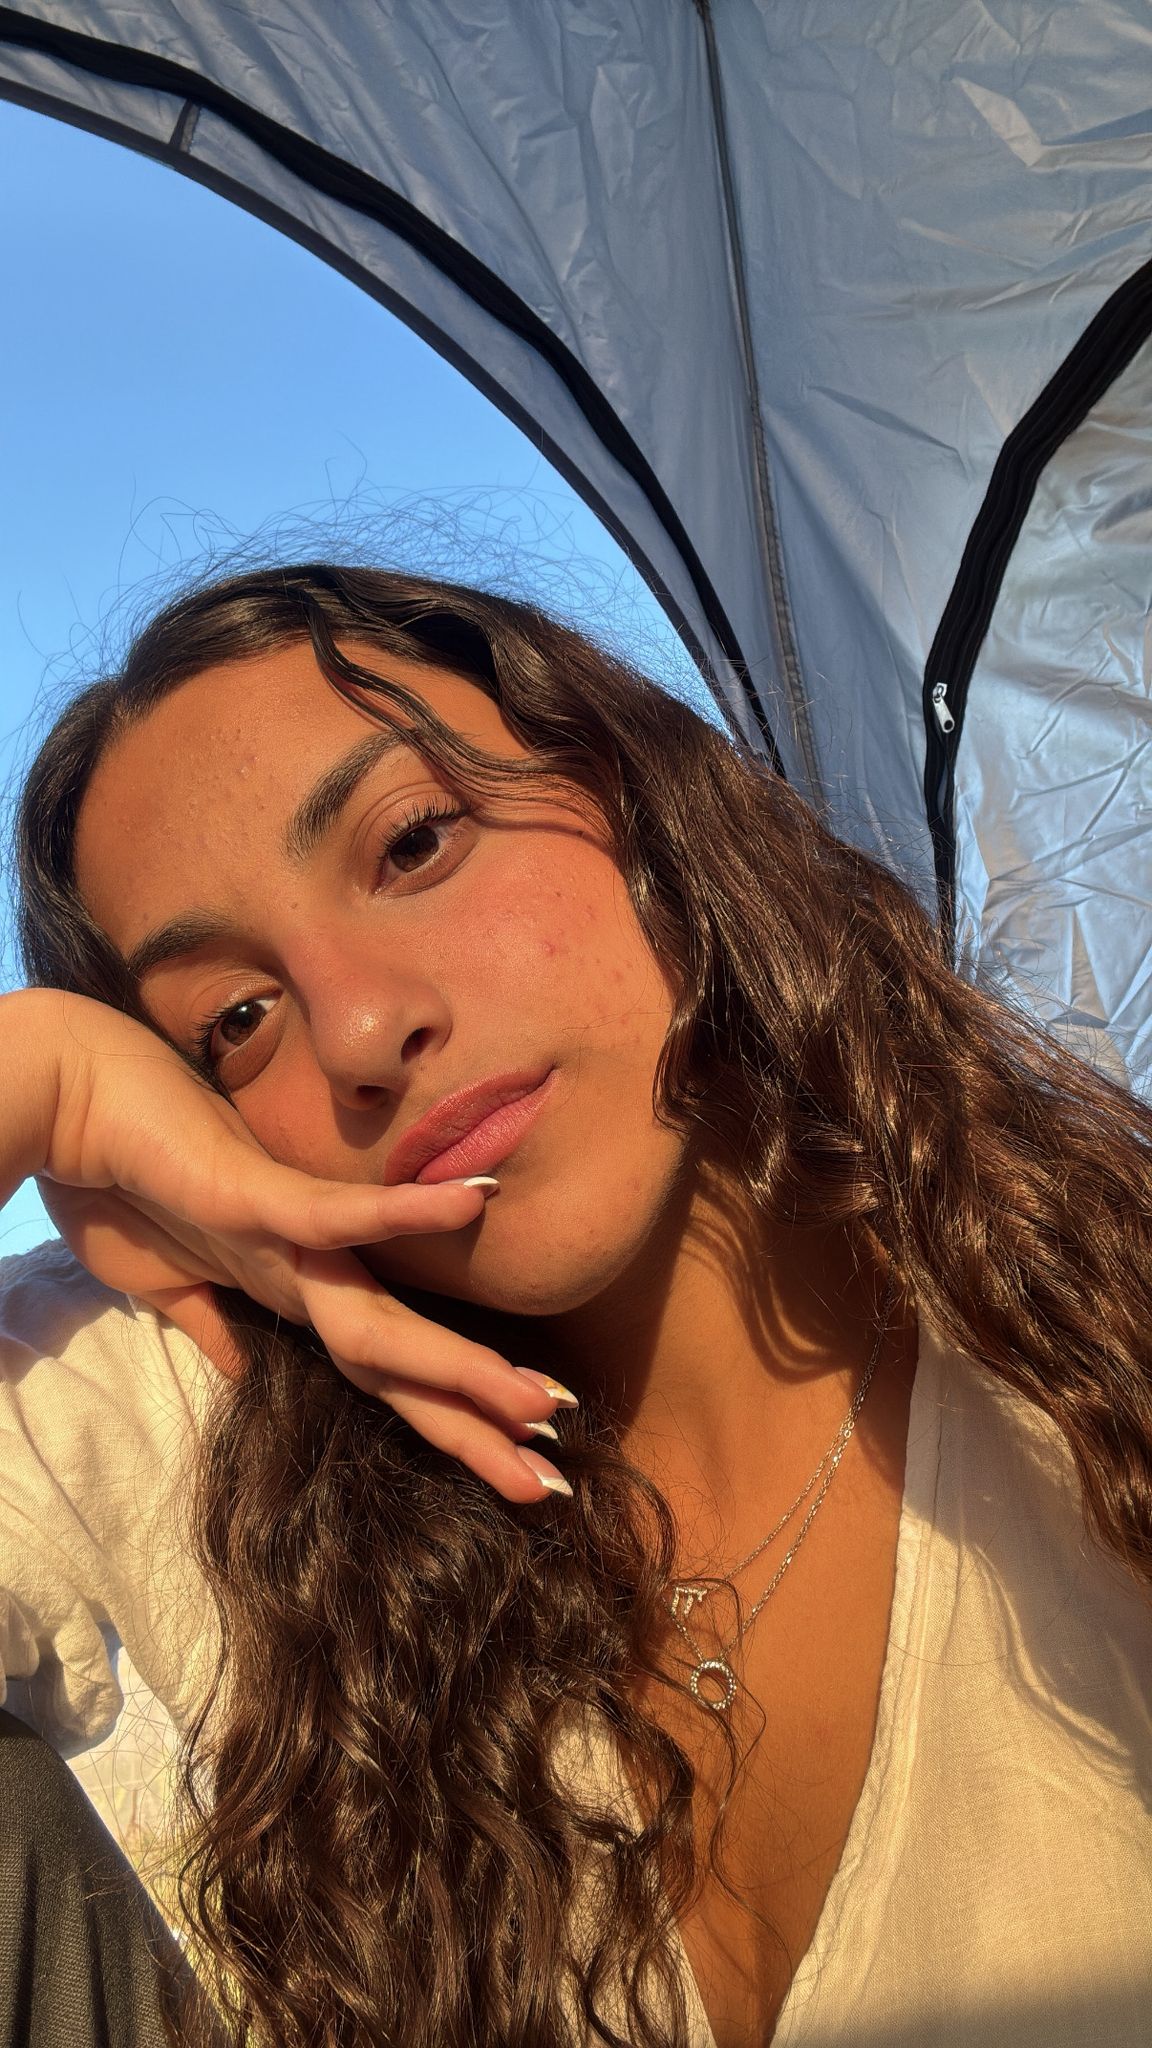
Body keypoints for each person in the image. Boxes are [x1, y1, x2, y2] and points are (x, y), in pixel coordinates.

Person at [0, 560, 1149, 2048]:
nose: (361, 1030)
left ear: (631, 791)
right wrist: (45, 1082)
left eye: (414, 842)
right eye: (234, 1020)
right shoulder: (201, 1414)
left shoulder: (1094, 1329)